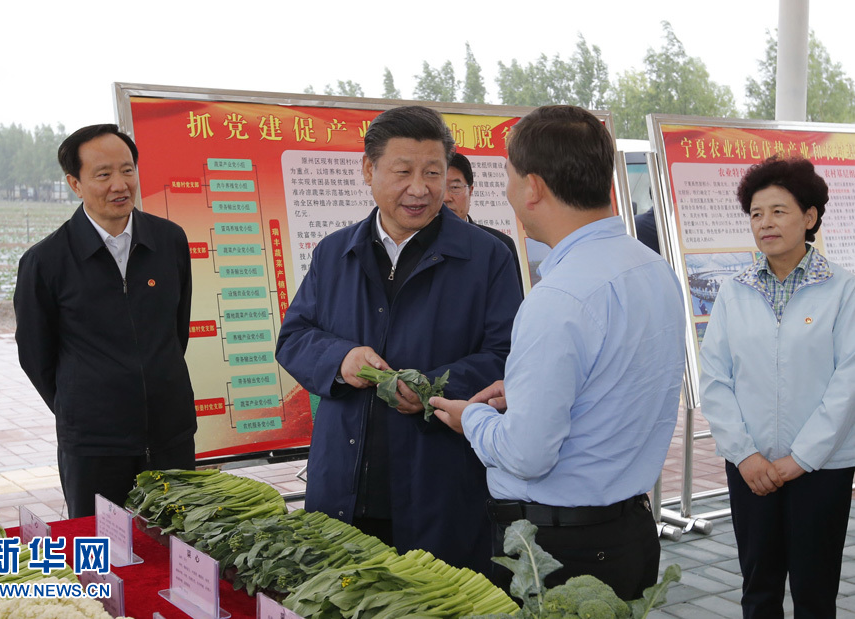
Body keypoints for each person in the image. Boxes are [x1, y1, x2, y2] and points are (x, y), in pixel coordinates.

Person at [430, 105, 686, 600]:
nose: (506, 193)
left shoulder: (560, 296)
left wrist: (473, 420)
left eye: (507, 176)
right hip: (627, 533)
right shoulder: (652, 268)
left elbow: (527, 453)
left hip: (561, 556)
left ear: (534, 187)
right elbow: (614, 383)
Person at [275, 105, 522, 574]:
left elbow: (508, 355)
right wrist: (341, 358)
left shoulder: (486, 256)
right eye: (403, 171)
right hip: (344, 483)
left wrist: (431, 388)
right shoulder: (335, 252)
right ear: (368, 170)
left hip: (440, 483)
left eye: (433, 172)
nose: (420, 188)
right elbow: (294, 337)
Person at [699, 155, 855, 618]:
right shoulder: (734, 290)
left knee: (814, 591)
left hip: (821, 468)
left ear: (809, 218)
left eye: (779, 211)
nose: (765, 223)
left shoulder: (843, 289)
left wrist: (800, 459)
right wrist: (744, 454)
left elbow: (847, 383)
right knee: (758, 589)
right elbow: (716, 377)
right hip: (750, 467)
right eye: (755, 213)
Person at [14, 124, 196, 519]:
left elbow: (175, 331)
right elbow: (35, 356)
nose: (120, 184)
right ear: (75, 184)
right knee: (98, 555)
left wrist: (153, 383)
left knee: (180, 549)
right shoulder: (46, 262)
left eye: (127, 170)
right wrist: (84, 406)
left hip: (171, 435)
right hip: (95, 446)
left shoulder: (169, 241)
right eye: (103, 174)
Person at [445, 153, 523, 289]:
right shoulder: (414, 244)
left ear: (470, 191)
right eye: (440, 188)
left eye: (455, 188)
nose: (446, 197)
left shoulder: (500, 246)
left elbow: (512, 306)